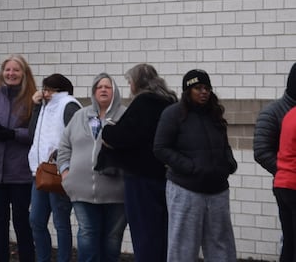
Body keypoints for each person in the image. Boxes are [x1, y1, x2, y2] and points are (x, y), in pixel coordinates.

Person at [153, 68, 237, 262]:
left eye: (207, 87)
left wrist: (229, 164)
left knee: (221, 246)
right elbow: (160, 148)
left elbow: (224, 145)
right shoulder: (173, 114)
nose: (204, 92)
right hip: (186, 190)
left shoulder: (215, 114)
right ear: (187, 90)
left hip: (218, 191)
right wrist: (190, 167)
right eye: (198, 88)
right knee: (183, 248)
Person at [100, 63, 175, 262]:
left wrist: (107, 131)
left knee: (144, 233)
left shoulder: (143, 102)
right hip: (167, 176)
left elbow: (123, 136)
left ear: (137, 83)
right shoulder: (170, 102)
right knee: (164, 230)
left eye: (130, 81)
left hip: (141, 177)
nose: (129, 86)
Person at [57, 72, 126, 262]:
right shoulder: (80, 116)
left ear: (115, 91)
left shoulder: (126, 115)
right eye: (99, 87)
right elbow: (64, 146)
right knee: (87, 235)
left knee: (112, 239)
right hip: (81, 190)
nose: (103, 89)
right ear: (94, 92)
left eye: (107, 86)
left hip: (117, 192)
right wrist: (65, 173)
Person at [0, 54, 37, 262]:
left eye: (16, 70)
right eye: (8, 70)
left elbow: (35, 132)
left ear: (24, 73)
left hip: (20, 170)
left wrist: (14, 134)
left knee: (22, 221)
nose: (11, 73)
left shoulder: (32, 98)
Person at [29, 73, 79, 262]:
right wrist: (35, 107)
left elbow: (76, 135)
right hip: (40, 172)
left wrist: (62, 155)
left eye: (48, 89)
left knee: (61, 222)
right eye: (44, 89)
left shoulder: (68, 105)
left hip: (60, 173)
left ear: (59, 91)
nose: (45, 93)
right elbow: (32, 133)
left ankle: (63, 259)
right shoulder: (44, 106)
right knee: (36, 220)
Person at [254, 62, 296, 262]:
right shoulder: (273, 112)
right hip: (289, 184)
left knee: (290, 241)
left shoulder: (286, 114)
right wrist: (286, 170)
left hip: (285, 184)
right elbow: (261, 151)